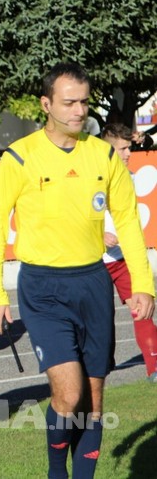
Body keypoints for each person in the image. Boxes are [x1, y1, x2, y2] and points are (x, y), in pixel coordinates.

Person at [0, 63, 155, 478]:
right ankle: (56, 470)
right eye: (69, 102)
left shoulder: (103, 155)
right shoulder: (20, 157)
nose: (80, 111)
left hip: (92, 283)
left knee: (94, 398)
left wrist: (144, 284)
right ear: (46, 104)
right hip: (43, 289)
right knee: (69, 392)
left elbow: (129, 222)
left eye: (83, 101)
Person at [100, 122, 157, 381]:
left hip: (122, 259)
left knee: (141, 309)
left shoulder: (128, 176)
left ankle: (154, 368)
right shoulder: (92, 176)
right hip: (93, 261)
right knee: (98, 321)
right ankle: (99, 365)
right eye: (121, 149)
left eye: (128, 148)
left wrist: (145, 138)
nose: (127, 154)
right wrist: (98, 235)